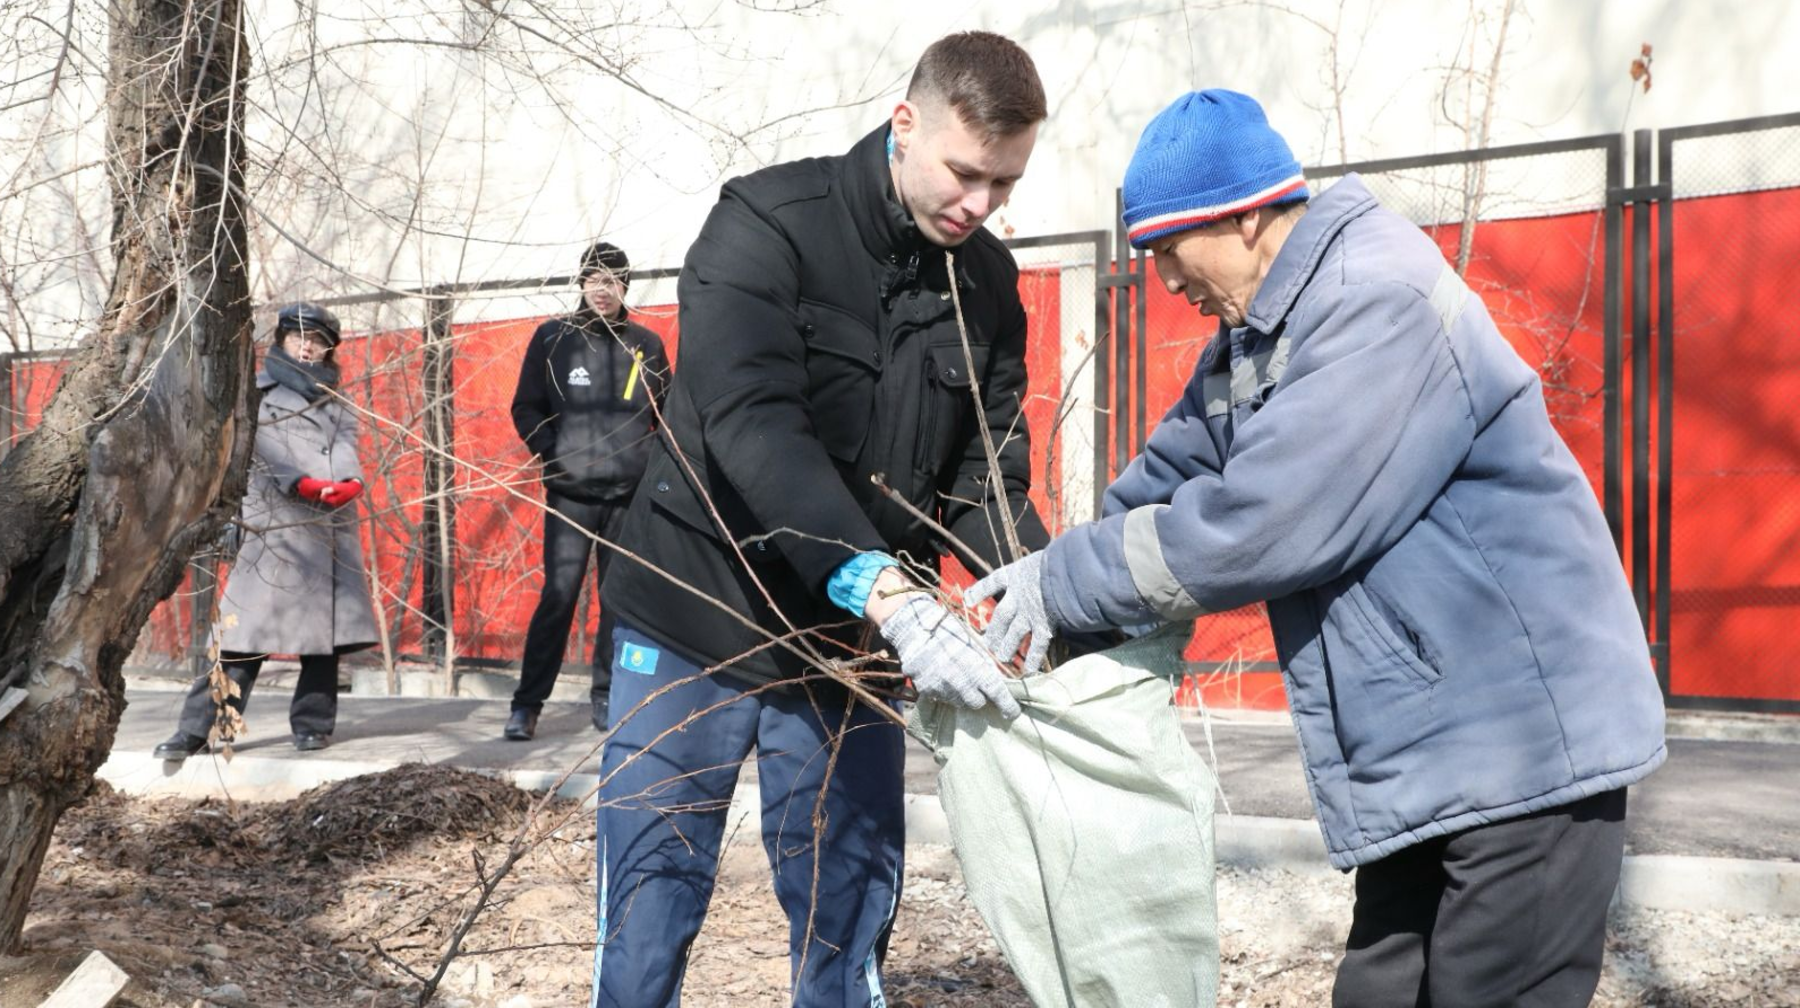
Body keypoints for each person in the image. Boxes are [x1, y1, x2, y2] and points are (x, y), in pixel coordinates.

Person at [968, 90, 1667, 1007]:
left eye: (1168, 250)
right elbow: (1164, 484)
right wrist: (1028, 617)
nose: (1164, 281)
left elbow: (1265, 523)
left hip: (1525, 755)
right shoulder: (1255, 342)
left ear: (1246, 216)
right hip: (1432, 759)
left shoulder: (1378, 299)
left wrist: (1063, 586)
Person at [592, 31, 1049, 1007]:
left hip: (849, 647)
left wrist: (1041, 594)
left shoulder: (987, 287)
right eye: (966, 173)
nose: (980, 205)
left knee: (847, 919)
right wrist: (888, 590)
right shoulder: (765, 226)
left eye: (1004, 185)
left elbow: (986, 476)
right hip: (695, 618)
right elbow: (755, 426)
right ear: (904, 124)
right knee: (649, 911)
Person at [154, 302, 379, 759]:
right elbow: (263, 445)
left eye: (318, 341)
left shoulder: (335, 399)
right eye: (300, 336)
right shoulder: (255, 392)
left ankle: (313, 725)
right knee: (242, 639)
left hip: (327, 526)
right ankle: (197, 732)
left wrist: (351, 481)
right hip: (272, 527)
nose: (309, 345)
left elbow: (345, 443)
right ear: (280, 339)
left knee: (324, 639)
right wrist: (301, 482)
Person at [506, 241, 669, 741]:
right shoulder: (554, 339)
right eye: (595, 278)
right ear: (580, 283)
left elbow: (669, 415)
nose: (604, 289)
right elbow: (525, 408)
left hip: (627, 495)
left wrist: (648, 465)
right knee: (558, 595)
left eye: (614, 280)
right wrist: (555, 455)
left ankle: (608, 695)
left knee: (617, 600)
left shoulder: (646, 345)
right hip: (571, 492)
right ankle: (527, 704)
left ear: (626, 287)